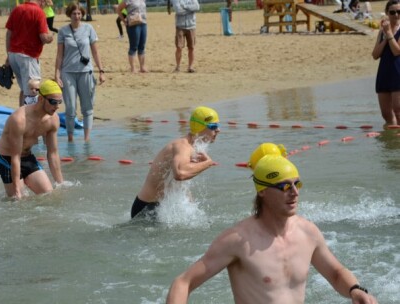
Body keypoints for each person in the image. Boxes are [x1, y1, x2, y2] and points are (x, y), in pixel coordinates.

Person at [166, 153, 379, 304]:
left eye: (297, 184)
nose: (295, 192)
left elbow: (335, 273)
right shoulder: (238, 240)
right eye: (285, 186)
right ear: (263, 191)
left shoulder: (308, 232)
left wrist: (355, 290)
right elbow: (183, 282)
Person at [131, 106, 220, 219]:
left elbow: (179, 183)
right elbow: (180, 174)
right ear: (199, 127)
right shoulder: (183, 147)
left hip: (161, 206)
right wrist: (208, 163)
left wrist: (193, 208)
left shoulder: (193, 147)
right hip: (147, 209)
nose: (218, 130)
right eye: (213, 126)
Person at [0, 79, 64, 200]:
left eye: (60, 102)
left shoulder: (53, 120)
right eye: (53, 102)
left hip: (27, 157)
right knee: (18, 199)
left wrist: (60, 183)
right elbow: (15, 156)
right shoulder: (19, 119)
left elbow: (53, 153)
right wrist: (17, 190)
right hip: (8, 159)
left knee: (48, 194)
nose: (57, 106)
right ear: (41, 99)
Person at [55, 3, 106, 143]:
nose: (77, 16)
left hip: (86, 72)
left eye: (79, 14)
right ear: (69, 15)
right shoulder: (63, 31)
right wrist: (57, 75)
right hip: (68, 73)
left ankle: (86, 140)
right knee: (70, 108)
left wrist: (101, 71)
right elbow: (59, 55)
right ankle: (70, 139)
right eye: (74, 14)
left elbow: (95, 52)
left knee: (87, 108)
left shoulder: (89, 29)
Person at [5, 0, 54, 107]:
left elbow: (9, 34)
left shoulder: (17, 9)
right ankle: (29, 120)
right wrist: (50, 38)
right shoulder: (39, 12)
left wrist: (8, 55)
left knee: (24, 89)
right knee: (32, 91)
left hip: (14, 54)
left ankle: (21, 117)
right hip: (28, 56)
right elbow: (43, 37)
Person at [372, 0, 400, 127]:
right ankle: (391, 144)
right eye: (393, 12)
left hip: (398, 71)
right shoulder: (382, 31)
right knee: (386, 114)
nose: (396, 15)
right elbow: (375, 55)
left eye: (399, 12)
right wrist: (384, 35)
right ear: (387, 13)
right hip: (385, 71)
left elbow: (396, 51)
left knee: (398, 110)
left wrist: (389, 33)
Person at [167, 0, 200, 73]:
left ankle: (190, 66)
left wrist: (184, 6)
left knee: (191, 48)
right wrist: (191, 9)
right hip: (180, 26)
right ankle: (178, 66)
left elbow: (197, 7)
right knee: (179, 47)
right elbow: (178, 10)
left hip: (191, 26)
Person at [117, 0, 148, 73]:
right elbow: (119, 9)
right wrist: (124, 21)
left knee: (142, 46)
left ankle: (142, 67)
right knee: (133, 46)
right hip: (133, 24)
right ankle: (133, 68)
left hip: (143, 23)